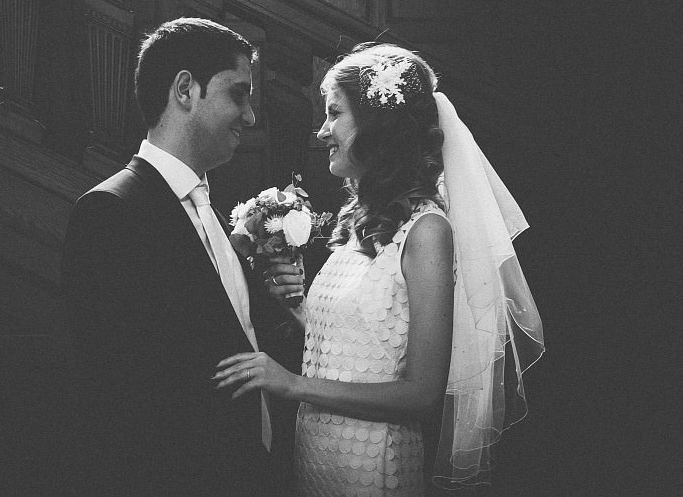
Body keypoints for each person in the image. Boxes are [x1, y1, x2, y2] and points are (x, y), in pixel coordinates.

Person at [214, 43, 544, 495]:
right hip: (318, 455)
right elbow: (363, 350)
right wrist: (298, 309)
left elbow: (421, 394)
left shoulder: (426, 230)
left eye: (333, 114)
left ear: (377, 125)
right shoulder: (360, 219)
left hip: (373, 468)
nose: (322, 131)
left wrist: (291, 384)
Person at [60, 17, 291, 497]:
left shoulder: (207, 206)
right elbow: (115, 394)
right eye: (238, 94)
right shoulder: (110, 211)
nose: (250, 117)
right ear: (186, 90)